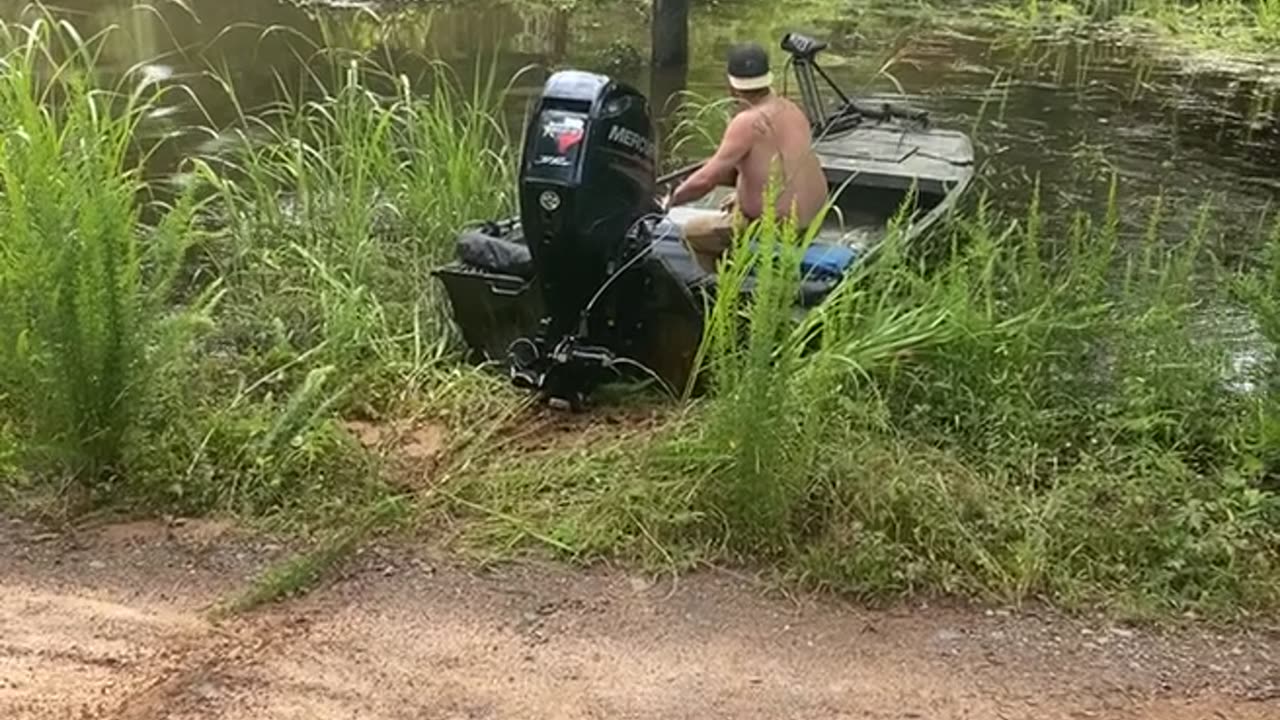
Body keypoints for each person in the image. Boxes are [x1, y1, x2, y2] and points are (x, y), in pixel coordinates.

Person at [663, 41, 828, 270]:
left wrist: (668, 201)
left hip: (782, 229)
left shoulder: (746, 122)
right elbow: (777, 167)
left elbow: (705, 180)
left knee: (694, 233)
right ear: (767, 77)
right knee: (734, 207)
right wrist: (743, 199)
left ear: (732, 86)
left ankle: (720, 288)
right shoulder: (792, 108)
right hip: (815, 220)